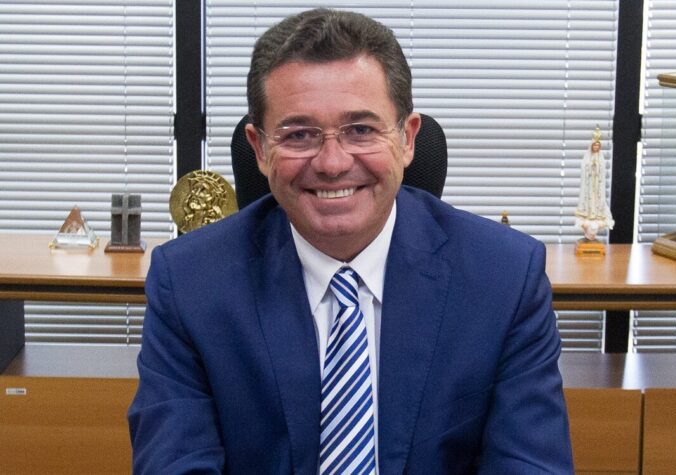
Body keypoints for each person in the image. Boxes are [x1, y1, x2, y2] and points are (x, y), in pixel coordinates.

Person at [128, 8, 573, 474]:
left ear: (407, 138)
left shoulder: (504, 278)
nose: (333, 163)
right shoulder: (190, 283)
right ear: (259, 148)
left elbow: (530, 464)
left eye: (361, 130)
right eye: (299, 135)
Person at [575, 127, 614, 241]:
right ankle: (587, 216)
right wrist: (590, 166)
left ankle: (596, 216)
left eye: (598, 146)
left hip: (597, 186)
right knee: (588, 201)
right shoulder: (587, 157)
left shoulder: (601, 158)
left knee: (597, 201)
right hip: (589, 186)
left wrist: (597, 167)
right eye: (594, 145)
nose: (596, 147)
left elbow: (602, 170)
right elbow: (584, 167)